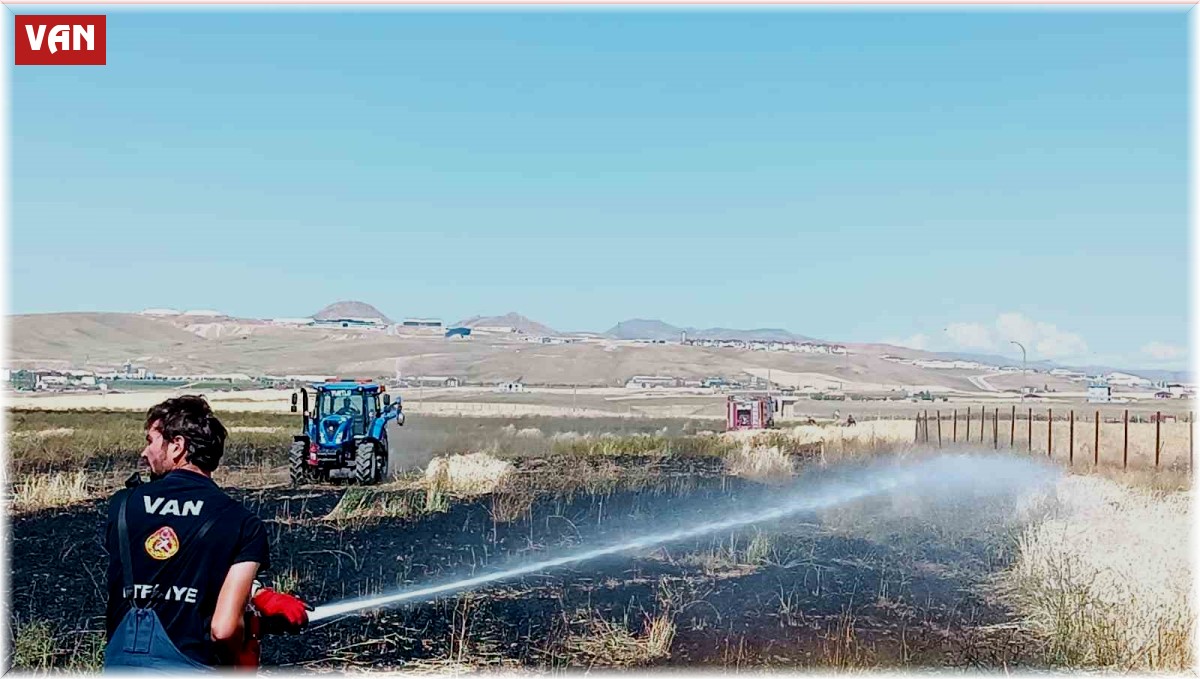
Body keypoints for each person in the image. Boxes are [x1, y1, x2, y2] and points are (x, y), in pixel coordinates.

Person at [104, 395, 311, 671]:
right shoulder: (240, 522)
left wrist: (258, 594)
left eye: (150, 441)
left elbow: (162, 566)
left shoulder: (123, 507)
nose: (145, 452)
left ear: (177, 446)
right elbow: (224, 629)